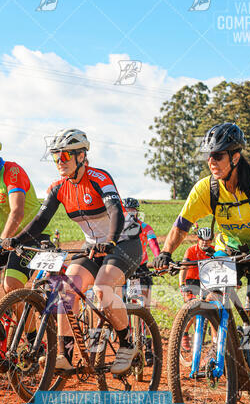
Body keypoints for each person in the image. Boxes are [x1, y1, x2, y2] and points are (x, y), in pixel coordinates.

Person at [154, 122, 250, 404]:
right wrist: (166, 252)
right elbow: (181, 226)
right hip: (226, 251)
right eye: (208, 156)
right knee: (213, 301)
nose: (211, 161)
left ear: (235, 157)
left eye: (217, 156)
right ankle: (229, 355)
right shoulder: (207, 188)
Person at [1, 129, 142, 374]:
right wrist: (15, 240)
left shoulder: (99, 178)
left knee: (102, 287)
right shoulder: (58, 188)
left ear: (81, 156)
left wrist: (109, 241)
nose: (60, 161)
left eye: (65, 155)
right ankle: (64, 355)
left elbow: (116, 212)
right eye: (56, 157)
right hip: (92, 248)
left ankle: (128, 343)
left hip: (122, 242)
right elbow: (40, 222)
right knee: (65, 289)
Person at [0, 142, 51, 295]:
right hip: (5, 240)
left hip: (30, 236)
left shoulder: (12, 171)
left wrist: (2, 242)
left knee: (11, 285)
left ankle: (25, 320)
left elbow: (17, 211)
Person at [178, 227, 215, 351]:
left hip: (206, 282)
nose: (205, 242)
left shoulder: (214, 251)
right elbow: (183, 268)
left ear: (211, 240)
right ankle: (185, 333)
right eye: (202, 239)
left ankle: (209, 332)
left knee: (212, 306)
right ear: (198, 239)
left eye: (208, 240)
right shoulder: (191, 250)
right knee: (192, 309)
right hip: (191, 281)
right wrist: (182, 284)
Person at [123, 198, 160, 307]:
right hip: (124, 266)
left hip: (141, 265)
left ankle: (146, 318)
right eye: (127, 210)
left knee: (146, 301)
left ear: (137, 212)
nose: (130, 213)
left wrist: (158, 258)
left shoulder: (145, 227)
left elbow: (153, 243)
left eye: (132, 210)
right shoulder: (118, 227)